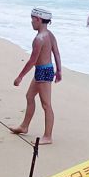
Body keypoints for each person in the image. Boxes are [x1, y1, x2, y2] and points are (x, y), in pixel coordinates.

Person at [9, 8, 62, 145]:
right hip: (45, 70)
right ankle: (24, 126)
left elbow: (32, 60)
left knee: (46, 105)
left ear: (38, 20)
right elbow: (56, 53)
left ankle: (48, 136)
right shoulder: (50, 34)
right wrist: (59, 70)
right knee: (29, 96)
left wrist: (20, 77)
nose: (31, 22)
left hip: (43, 72)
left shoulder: (39, 39)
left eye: (32, 19)